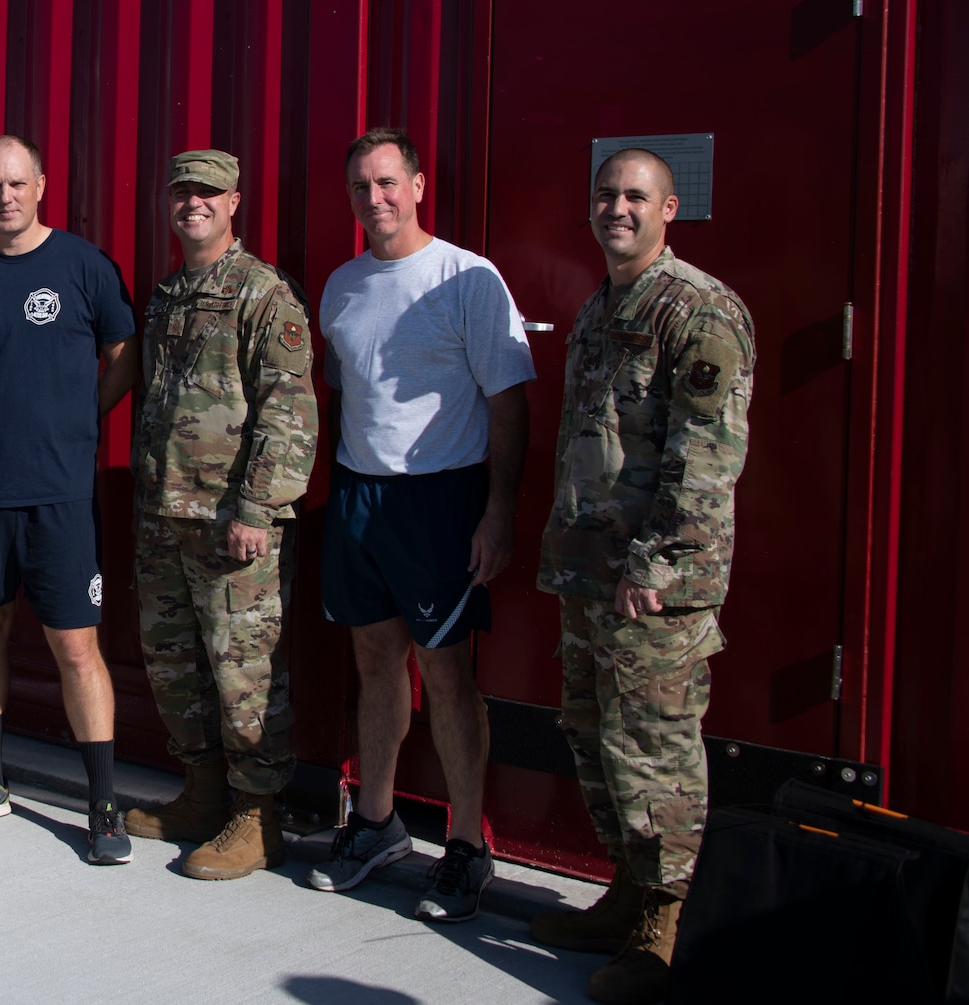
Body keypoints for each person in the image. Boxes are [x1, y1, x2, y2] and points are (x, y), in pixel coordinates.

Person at [528, 149, 753, 1005]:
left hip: (653, 582)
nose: (616, 208)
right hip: (590, 570)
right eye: (606, 194)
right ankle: (628, 887)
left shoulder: (698, 310)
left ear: (670, 208)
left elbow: (706, 460)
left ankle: (669, 921)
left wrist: (657, 563)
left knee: (655, 747)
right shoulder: (601, 307)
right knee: (593, 730)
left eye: (635, 196)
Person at [303, 127, 535, 922]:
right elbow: (350, 397)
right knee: (376, 663)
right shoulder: (340, 286)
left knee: (446, 675)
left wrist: (497, 510)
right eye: (361, 186)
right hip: (361, 500)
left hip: (442, 502)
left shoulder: (468, 279)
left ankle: (467, 844)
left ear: (420, 184)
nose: (376, 198)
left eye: (389, 182)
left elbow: (508, 404)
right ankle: (376, 822)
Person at [0, 134, 140, 865]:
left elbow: (123, 355)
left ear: (41, 184)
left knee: (77, 645)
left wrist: (79, 418)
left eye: (16, 183)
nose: (4, 197)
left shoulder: (84, 266)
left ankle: (103, 802)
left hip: (59, 492)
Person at [125, 150, 318, 880]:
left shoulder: (263, 294)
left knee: (245, 675)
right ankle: (203, 794)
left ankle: (256, 815)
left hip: (231, 523)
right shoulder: (169, 294)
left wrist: (256, 508)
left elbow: (288, 413)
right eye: (182, 192)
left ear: (235, 201)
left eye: (208, 192)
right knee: (176, 667)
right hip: (163, 516)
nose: (193, 203)